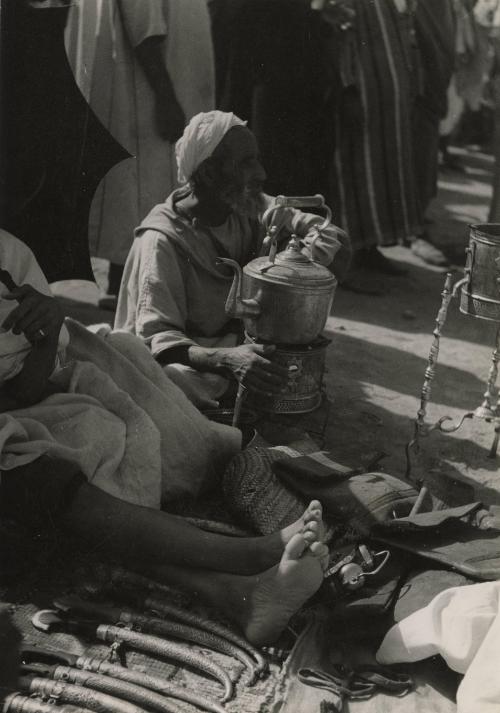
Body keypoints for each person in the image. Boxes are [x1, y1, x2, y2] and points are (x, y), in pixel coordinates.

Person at [0, 228, 329, 646]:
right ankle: (242, 558)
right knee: (49, 480)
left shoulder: (10, 252)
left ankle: (241, 595)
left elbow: (28, 386)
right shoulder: (162, 237)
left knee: (117, 411)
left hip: (16, 399)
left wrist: (45, 330)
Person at [114, 110, 351, 409]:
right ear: (210, 173)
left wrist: (309, 239)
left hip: (236, 352)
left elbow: (328, 234)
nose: (261, 174)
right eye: (246, 163)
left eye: (257, 160)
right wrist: (228, 360)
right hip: (188, 360)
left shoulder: (242, 204)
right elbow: (157, 340)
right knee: (176, 380)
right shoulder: (161, 241)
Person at [64, 0, 215, 307]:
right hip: (148, 86)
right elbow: (144, 27)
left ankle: (130, 279)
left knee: (142, 186)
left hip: (160, 77)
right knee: (145, 184)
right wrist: (165, 96)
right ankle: (134, 283)